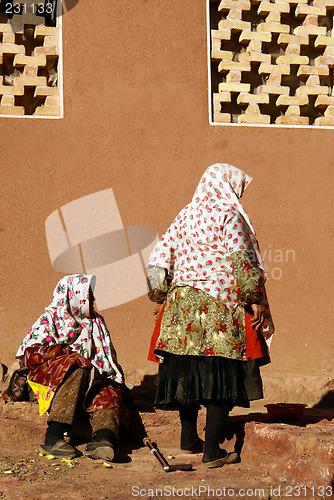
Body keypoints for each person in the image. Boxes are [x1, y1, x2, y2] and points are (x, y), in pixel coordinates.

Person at [147, 163, 274, 468]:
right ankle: (212, 450)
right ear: (226, 186)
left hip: (181, 307)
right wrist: (253, 298)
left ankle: (189, 438)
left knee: (188, 371)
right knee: (222, 374)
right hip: (219, 304)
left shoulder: (185, 214)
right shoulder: (228, 214)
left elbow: (158, 260)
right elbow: (241, 259)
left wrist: (161, 295)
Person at [16, 274, 129, 461]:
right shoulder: (50, 319)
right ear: (73, 295)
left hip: (87, 383)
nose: (92, 299)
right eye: (88, 294)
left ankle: (103, 440)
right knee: (78, 364)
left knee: (109, 391)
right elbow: (28, 356)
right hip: (47, 384)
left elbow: (107, 361)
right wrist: (63, 351)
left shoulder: (96, 322)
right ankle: (53, 437)